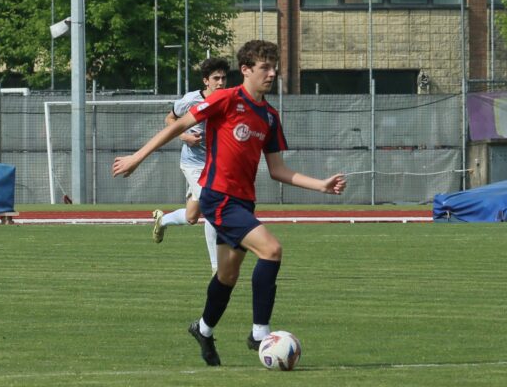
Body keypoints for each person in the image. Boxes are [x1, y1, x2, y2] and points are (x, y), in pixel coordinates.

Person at [112, 40, 347, 367]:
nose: (272, 73)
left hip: (243, 203)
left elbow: (278, 169)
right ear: (247, 70)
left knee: (227, 275)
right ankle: (260, 333)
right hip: (218, 197)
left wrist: (320, 185)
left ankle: (204, 330)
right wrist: (137, 158)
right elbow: (178, 125)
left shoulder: (269, 116)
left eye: (274, 67)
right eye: (265, 67)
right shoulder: (226, 99)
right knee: (272, 250)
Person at [152, 58, 230, 275]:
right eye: (216, 78)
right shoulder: (191, 100)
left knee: (192, 217)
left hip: (216, 165)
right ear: (206, 81)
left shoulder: (229, 99)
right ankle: (217, 267)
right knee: (213, 209)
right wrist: (185, 136)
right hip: (193, 164)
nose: (221, 82)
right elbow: (170, 119)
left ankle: (163, 220)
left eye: (223, 78)